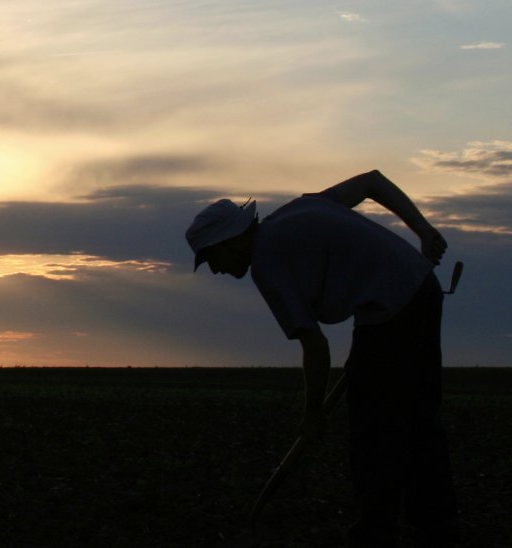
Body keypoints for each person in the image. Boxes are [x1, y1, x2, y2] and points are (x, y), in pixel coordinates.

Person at [185, 170, 459, 547]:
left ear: (229, 241)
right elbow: (372, 181)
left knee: (373, 428)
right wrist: (423, 231)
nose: (216, 269)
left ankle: (378, 530)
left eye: (212, 258)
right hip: (422, 286)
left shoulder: (267, 263)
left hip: (391, 310)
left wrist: (312, 415)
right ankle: (436, 525)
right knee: (421, 417)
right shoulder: (300, 208)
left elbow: (314, 346)